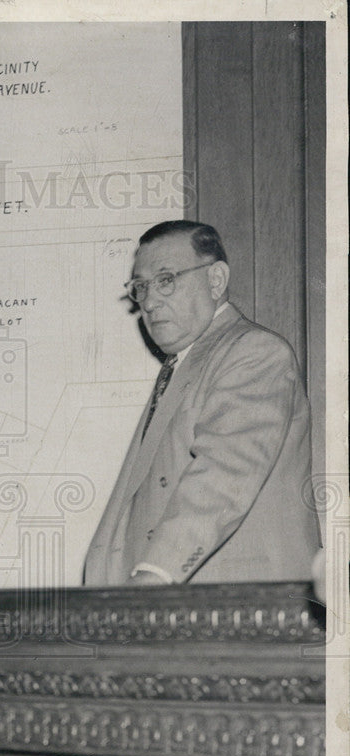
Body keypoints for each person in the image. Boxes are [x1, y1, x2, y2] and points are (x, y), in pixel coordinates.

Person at [84, 219, 320, 587]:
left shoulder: (253, 352)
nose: (148, 301)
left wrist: (155, 575)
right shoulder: (184, 365)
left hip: (240, 610)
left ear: (215, 281)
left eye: (166, 280)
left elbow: (224, 474)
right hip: (175, 612)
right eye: (141, 287)